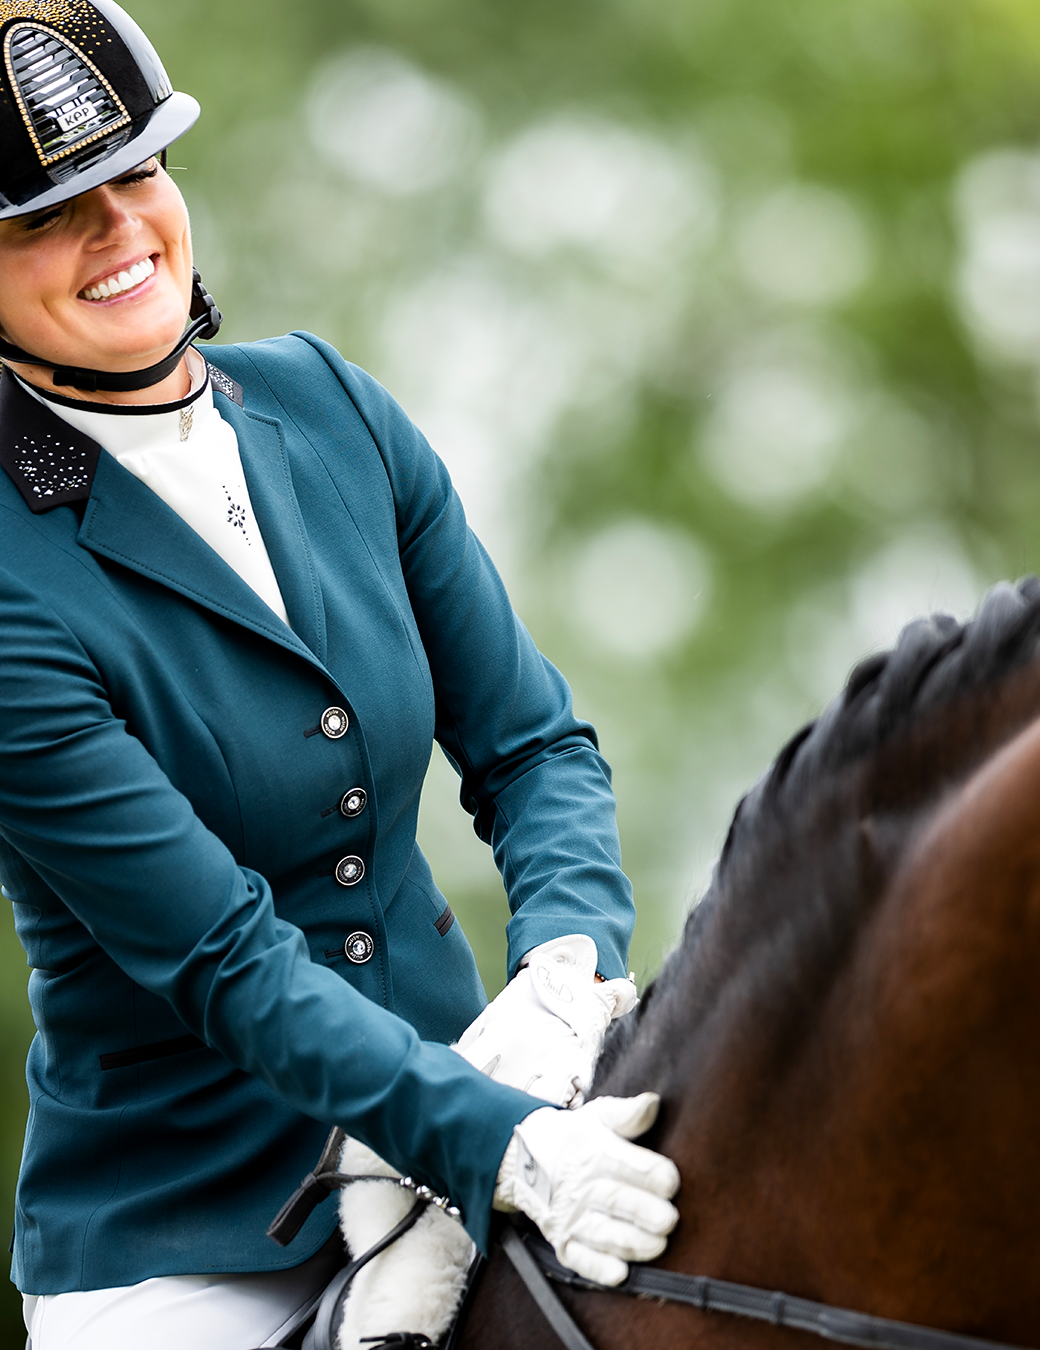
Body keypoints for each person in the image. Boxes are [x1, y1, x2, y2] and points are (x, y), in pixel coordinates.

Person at [0, 3, 680, 1347]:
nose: (120, 230)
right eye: (42, 217)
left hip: (480, 1097)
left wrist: (563, 970)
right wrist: (501, 1142)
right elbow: (223, 957)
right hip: (194, 1234)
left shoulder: (332, 407)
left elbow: (535, 745)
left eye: (135, 172)